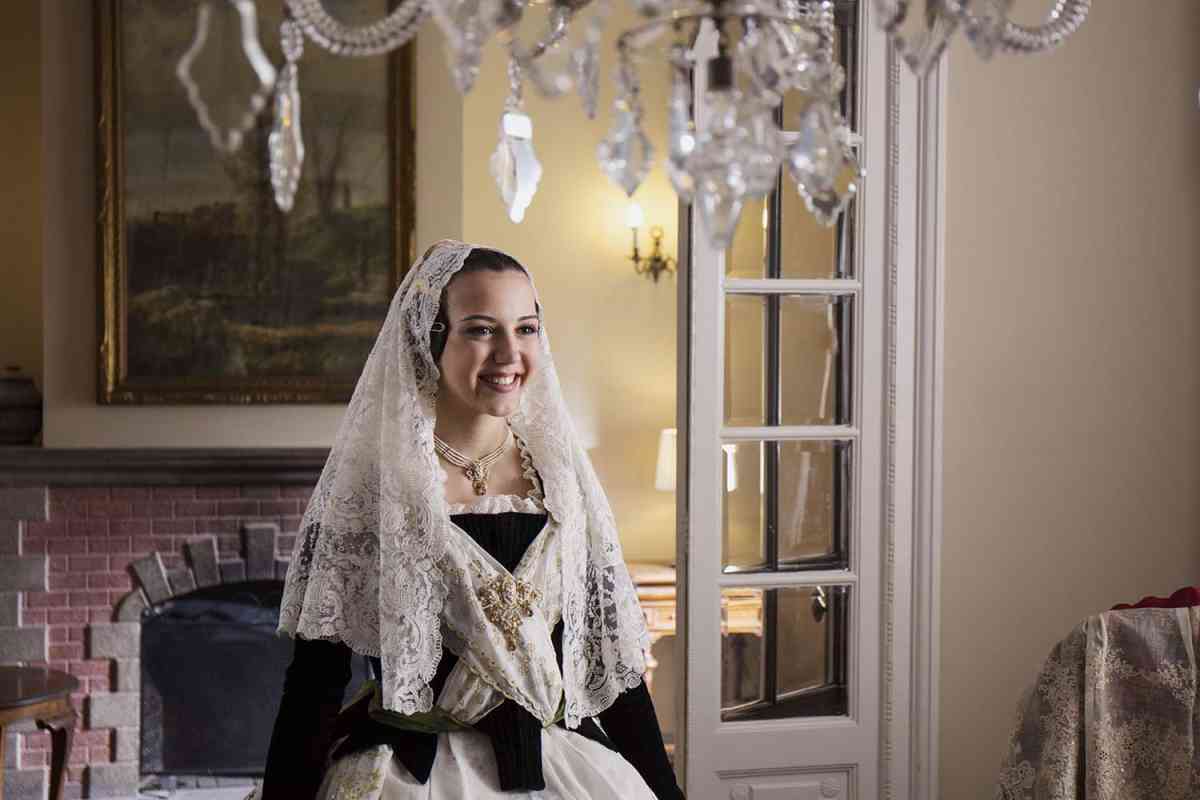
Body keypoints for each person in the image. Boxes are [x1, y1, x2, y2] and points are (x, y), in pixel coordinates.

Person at [258, 240, 684, 799]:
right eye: (481, 330)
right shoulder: (372, 491)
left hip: (562, 770)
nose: (509, 354)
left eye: (526, 329)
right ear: (429, 340)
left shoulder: (562, 481)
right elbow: (316, 683)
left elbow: (617, 677)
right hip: (414, 778)